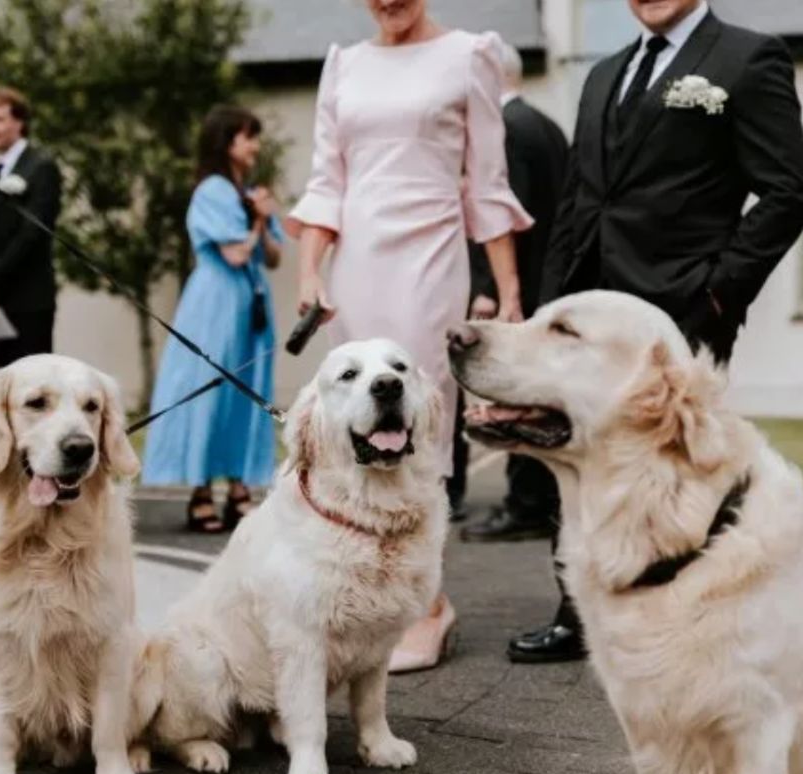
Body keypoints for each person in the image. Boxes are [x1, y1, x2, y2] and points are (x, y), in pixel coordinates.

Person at [509, 0, 803, 664]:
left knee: (673, 458)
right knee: (579, 449)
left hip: (683, 310)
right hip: (589, 309)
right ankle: (578, 607)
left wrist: (721, 289)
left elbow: (788, 190)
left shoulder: (747, 58)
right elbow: (583, 199)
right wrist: (551, 306)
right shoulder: (606, 73)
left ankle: (682, 608)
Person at [286, 0, 532, 674]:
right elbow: (325, 181)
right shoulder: (344, 63)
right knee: (353, 423)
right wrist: (310, 270)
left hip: (430, 255)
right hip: (357, 258)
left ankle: (428, 602)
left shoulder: (470, 54)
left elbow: (487, 185)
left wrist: (508, 293)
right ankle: (370, 592)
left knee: (424, 416)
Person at [141, 105, 284, 532]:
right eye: (248, 137)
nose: (255, 145)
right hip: (216, 300)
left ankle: (240, 487)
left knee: (248, 389)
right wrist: (258, 219)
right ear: (227, 142)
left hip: (252, 299)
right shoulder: (213, 191)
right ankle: (201, 490)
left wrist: (264, 216)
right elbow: (235, 253)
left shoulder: (250, 190)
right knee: (212, 387)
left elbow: (272, 257)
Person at [461, 41, 570, 545]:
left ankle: (525, 506)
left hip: (521, 290)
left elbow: (503, 217)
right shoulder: (545, 126)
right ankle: (541, 501)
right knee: (539, 394)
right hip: (552, 281)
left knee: (514, 393)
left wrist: (490, 289)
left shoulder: (505, 131)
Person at [0, 87, 61, 370]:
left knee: (34, 383)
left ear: (19, 123)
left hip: (29, 301)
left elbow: (33, 235)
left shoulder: (41, 167)